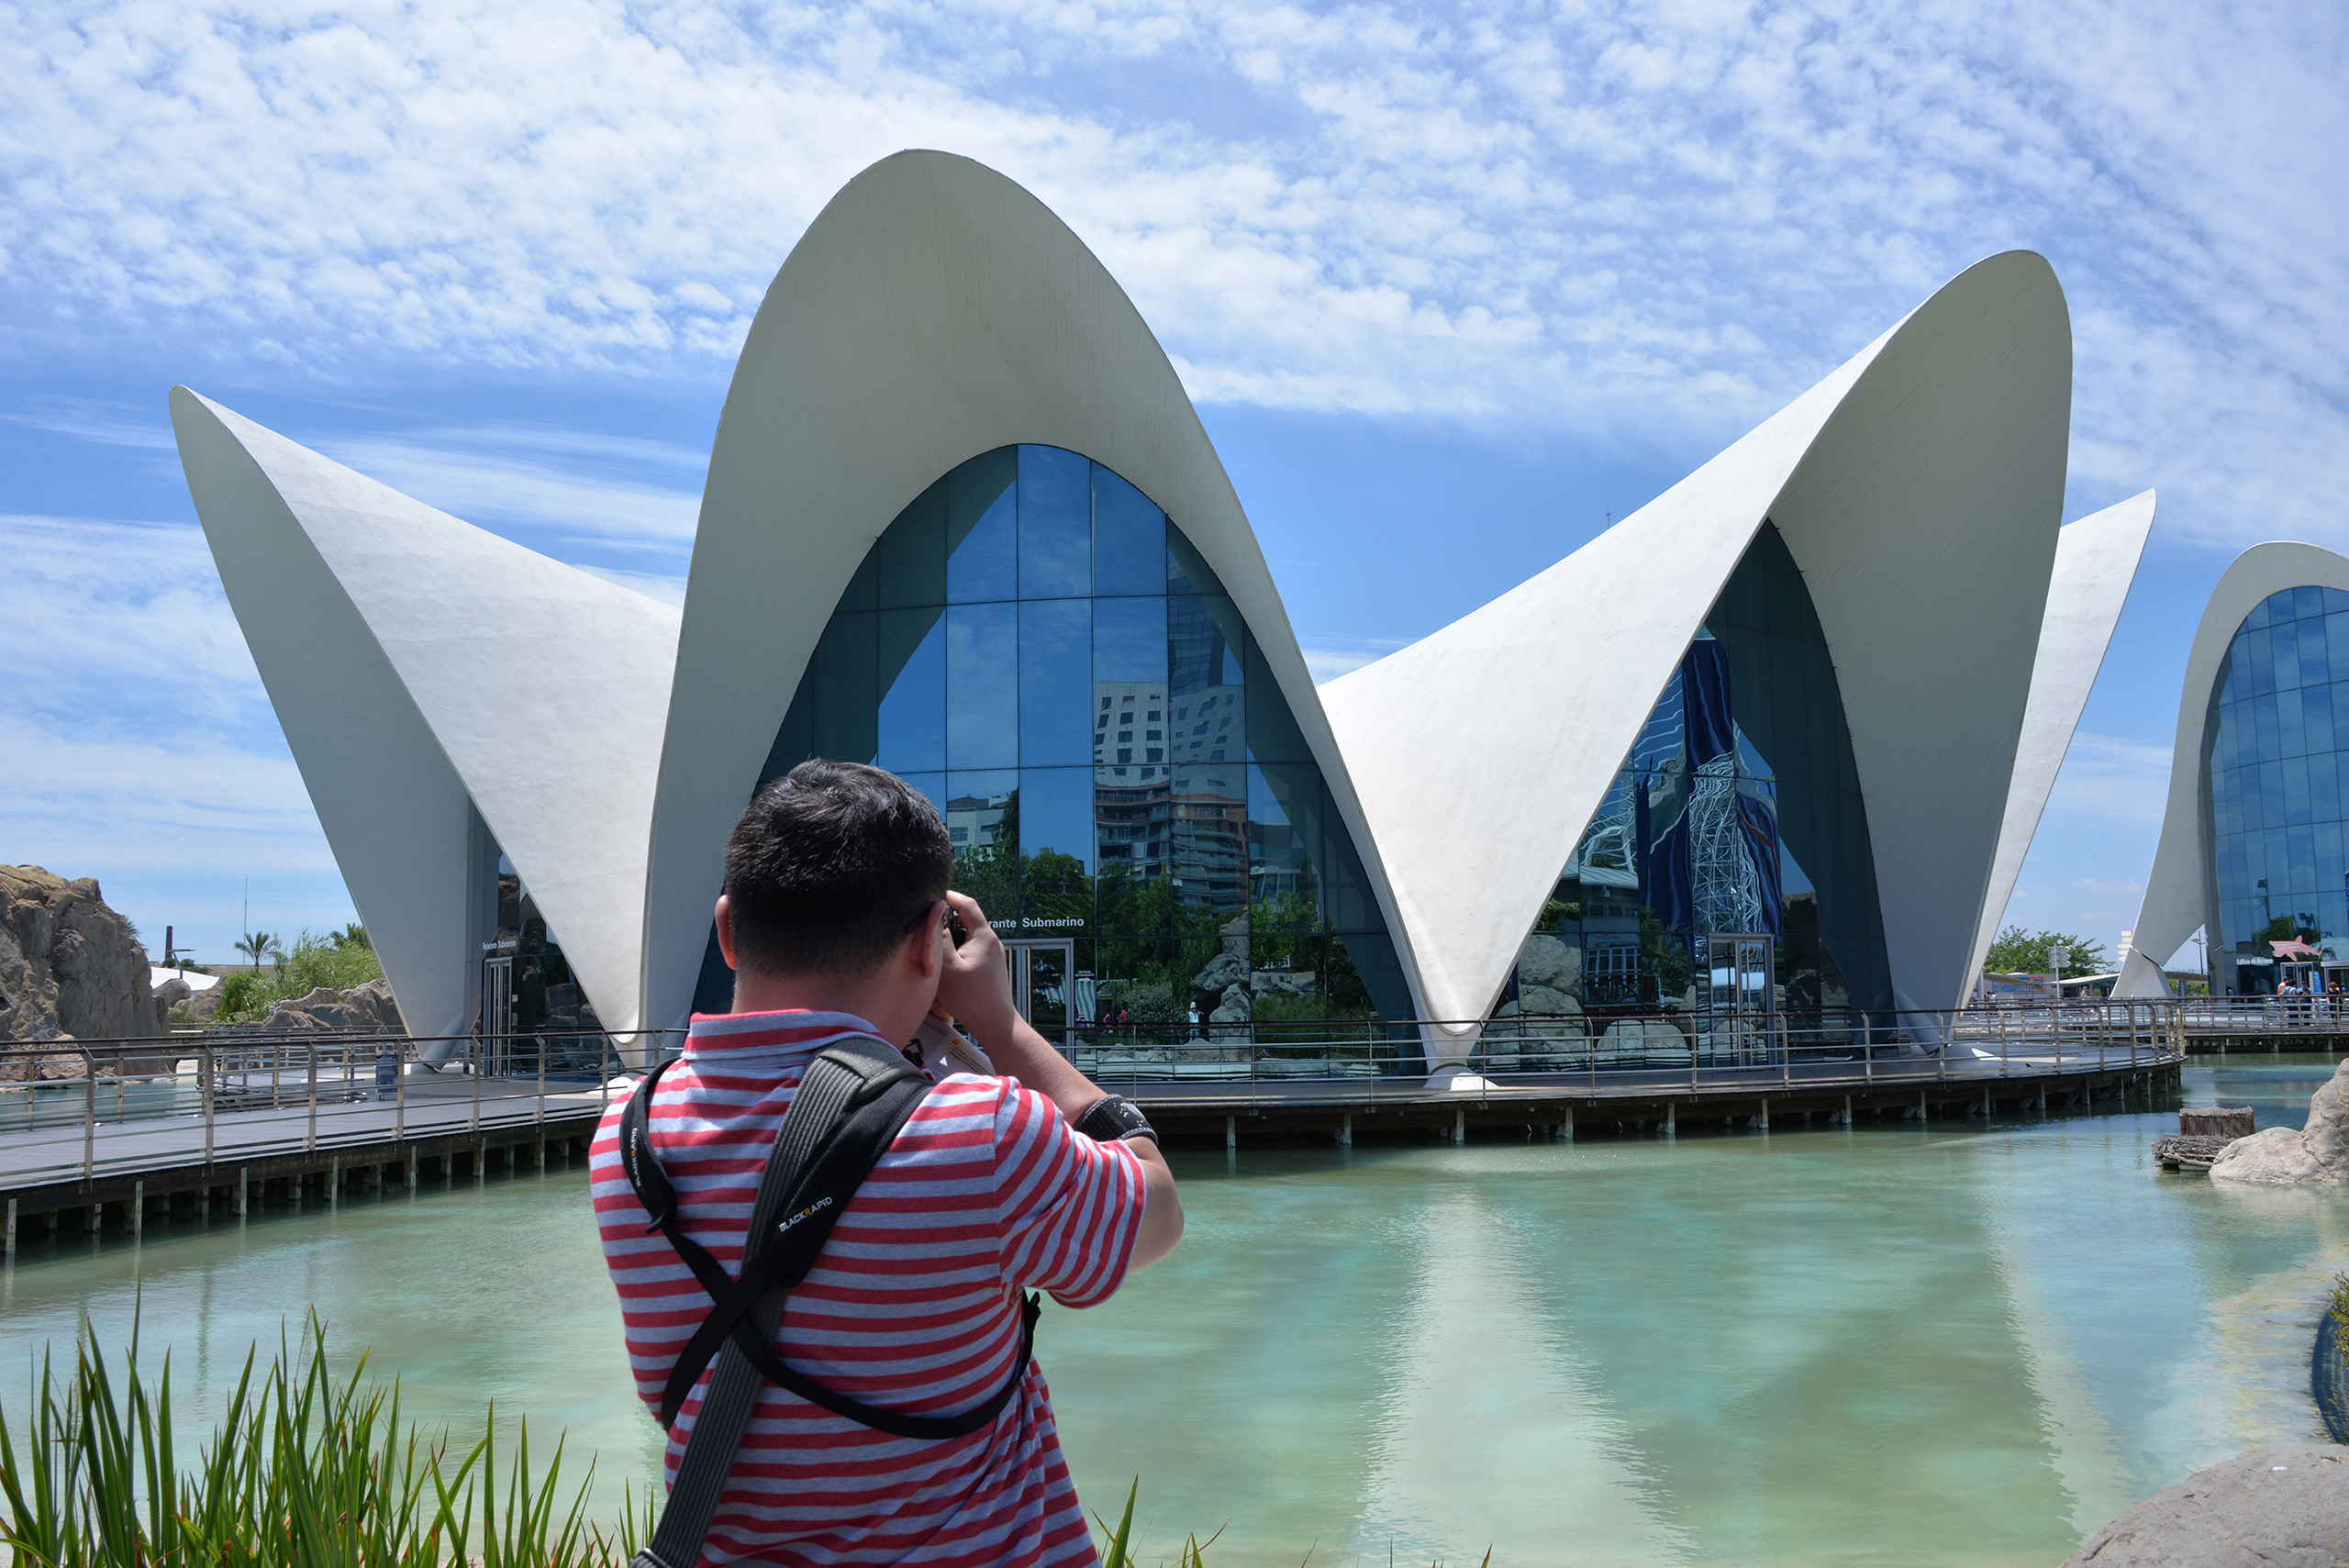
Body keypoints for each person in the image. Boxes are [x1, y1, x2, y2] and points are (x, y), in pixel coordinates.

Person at [590, 760, 1184, 1566]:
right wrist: (999, 1026)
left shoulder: (625, 1135)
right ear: (925, 943)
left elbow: (841, 1106)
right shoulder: (987, 1138)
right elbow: (1155, 1211)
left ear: (728, 931)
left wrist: (926, 1032)